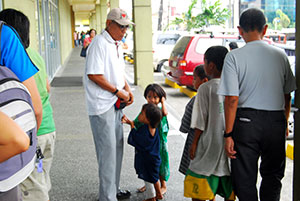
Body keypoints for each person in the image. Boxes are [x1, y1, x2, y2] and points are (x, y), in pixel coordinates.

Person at [218, 8, 296, 201]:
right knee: (273, 175)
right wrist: (284, 122)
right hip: (275, 121)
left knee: (244, 177)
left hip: (245, 122)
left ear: (239, 29)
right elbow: (287, 95)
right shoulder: (280, 56)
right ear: (266, 28)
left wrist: (228, 134)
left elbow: (232, 99)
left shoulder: (234, 57)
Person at [0, 9, 57, 201]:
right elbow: (47, 88)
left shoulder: (12, 55)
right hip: (47, 129)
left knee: (32, 187)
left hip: (32, 133)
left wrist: (30, 138)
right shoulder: (34, 56)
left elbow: (36, 108)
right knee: (41, 179)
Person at [83, 8, 134, 201]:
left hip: (115, 104)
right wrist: (117, 91)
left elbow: (118, 72)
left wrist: (127, 89)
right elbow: (94, 74)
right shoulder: (99, 43)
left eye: (126, 27)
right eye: (120, 26)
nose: (123, 31)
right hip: (101, 106)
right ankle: (107, 196)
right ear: (108, 24)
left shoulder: (116, 44)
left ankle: (114, 188)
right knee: (107, 153)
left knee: (117, 149)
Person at [184, 46, 235, 201]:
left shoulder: (205, 88)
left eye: (204, 61)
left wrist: (194, 144)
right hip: (229, 144)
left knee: (198, 186)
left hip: (209, 143)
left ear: (211, 65)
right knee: (228, 187)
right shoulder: (234, 85)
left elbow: (200, 120)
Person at [122, 104, 163, 201]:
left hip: (147, 161)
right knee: (154, 177)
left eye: (142, 113)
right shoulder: (153, 128)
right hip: (154, 159)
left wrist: (132, 127)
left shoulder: (145, 131)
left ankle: (151, 197)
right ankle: (158, 193)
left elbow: (137, 139)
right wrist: (130, 123)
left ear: (148, 119)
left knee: (148, 179)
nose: (139, 115)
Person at [134, 84, 169, 195]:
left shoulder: (159, 110)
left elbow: (165, 113)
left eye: (155, 97)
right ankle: (149, 184)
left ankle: (163, 185)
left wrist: (163, 102)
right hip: (148, 142)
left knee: (161, 163)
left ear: (160, 98)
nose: (152, 100)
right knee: (149, 164)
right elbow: (137, 121)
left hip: (159, 143)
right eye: (149, 97)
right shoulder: (145, 109)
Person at [178, 65, 209, 175]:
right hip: (212, 146)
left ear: (204, 81)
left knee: (194, 178)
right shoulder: (220, 97)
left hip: (195, 145)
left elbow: (184, 128)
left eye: (195, 78)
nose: (193, 81)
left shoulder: (195, 100)